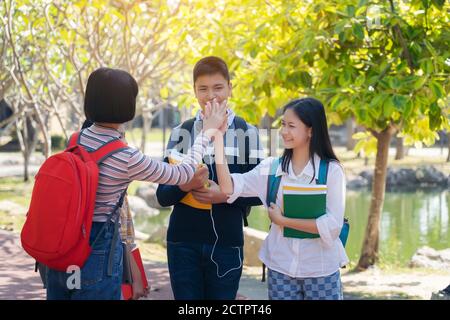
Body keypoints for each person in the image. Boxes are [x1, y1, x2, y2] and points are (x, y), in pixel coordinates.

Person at [45, 67, 227, 300]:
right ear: (126, 107)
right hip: (95, 251)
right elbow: (182, 173)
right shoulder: (125, 157)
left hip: (62, 247)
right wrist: (208, 131)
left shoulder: (76, 139)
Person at [215, 97, 348, 300]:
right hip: (280, 269)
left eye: (292, 126)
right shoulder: (271, 168)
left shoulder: (332, 171)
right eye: (283, 124)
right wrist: (217, 139)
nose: (284, 131)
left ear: (311, 130)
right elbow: (228, 188)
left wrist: (282, 221)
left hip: (321, 269)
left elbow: (332, 226)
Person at [156, 56, 263, 300]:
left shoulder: (248, 132)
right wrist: (186, 185)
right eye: (203, 89)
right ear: (194, 92)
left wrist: (225, 195)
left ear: (230, 89)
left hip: (227, 243)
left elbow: (261, 194)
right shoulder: (181, 132)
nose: (211, 95)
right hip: (182, 243)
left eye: (218, 88)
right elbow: (162, 196)